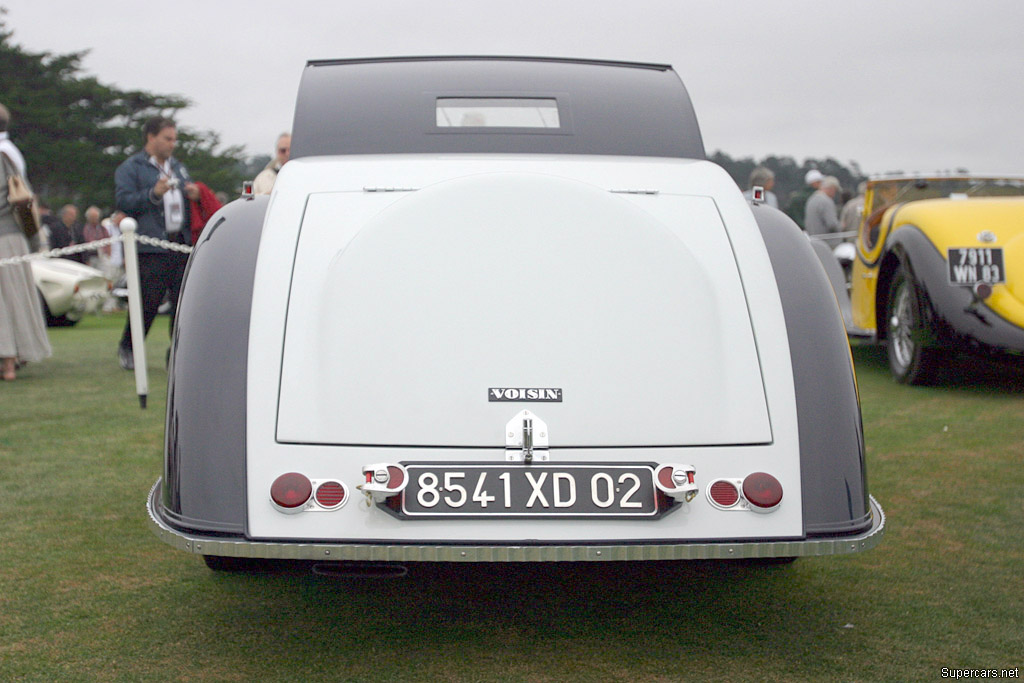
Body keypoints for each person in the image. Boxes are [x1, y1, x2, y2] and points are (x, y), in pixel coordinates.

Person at [114, 116, 198, 370]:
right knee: (147, 302)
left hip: (179, 245)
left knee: (181, 303)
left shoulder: (178, 168)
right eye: (167, 138)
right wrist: (153, 194)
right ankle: (129, 347)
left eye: (174, 139)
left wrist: (193, 193)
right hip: (151, 247)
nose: (172, 144)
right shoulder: (132, 168)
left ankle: (176, 353)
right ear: (151, 137)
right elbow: (124, 202)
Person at [0, 102, 51, 381]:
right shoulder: (12, 153)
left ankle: (8, 363)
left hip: (3, 236)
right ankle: (16, 357)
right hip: (15, 235)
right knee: (16, 298)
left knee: (5, 301)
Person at [81, 205, 110, 270]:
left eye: (95, 217)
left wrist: (108, 254)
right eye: (92, 217)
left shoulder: (102, 229)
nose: (94, 219)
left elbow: (108, 241)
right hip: (90, 255)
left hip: (102, 255)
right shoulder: (84, 229)